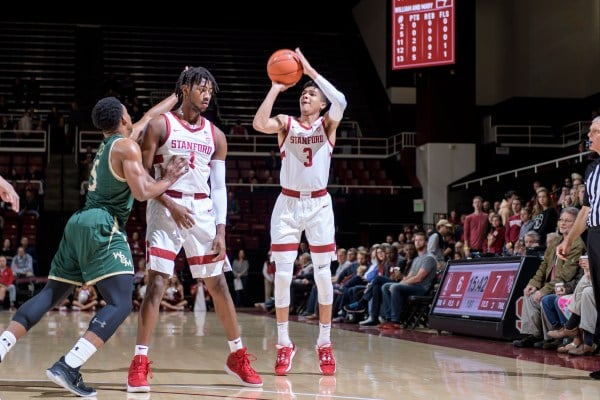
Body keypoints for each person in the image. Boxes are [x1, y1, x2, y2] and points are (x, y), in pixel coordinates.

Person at [0, 94, 186, 397]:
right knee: (121, 302)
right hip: (103, 223)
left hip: (78, 223)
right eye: (129, 113)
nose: (133, 117)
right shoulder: (126, 146)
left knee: (51, 294)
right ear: (123, 118)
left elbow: (150, 115)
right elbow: (142, 192)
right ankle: (69, 364)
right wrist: (168, 177)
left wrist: (176, 96)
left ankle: (2, 346)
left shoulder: (112, 143)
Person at [127, 66, 262, 393]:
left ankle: (237, 355)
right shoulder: (160, 126)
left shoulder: (216, 135)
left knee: (218, 285)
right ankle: (140, 361)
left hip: (202, 210)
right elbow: (143, 180)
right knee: (157, 281)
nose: (207, 95)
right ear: (184, 89)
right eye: (202, 89)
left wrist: (220, 230)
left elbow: (219, 187)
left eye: (210, 92)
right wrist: (171, 204)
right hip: (165, 205)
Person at [252, 47, 347, 376]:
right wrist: (276, 87)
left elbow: (343, 101)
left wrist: (310, 71)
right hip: (288, 204)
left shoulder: (328, 125)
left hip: (319, 205)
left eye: (312, 94)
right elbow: (258, 122)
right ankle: (283, 344)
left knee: (323, 277)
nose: (306, 95)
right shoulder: (286, 124)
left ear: (321, 104)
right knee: (282, 275)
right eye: (304, 93)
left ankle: (324, 342)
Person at [557, 116, 600, 378]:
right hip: (595, 234)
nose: (590, 135)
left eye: (594, 131)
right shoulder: (592, 168)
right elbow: (586, 209)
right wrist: (568, 239)